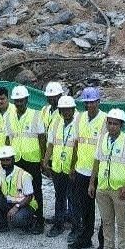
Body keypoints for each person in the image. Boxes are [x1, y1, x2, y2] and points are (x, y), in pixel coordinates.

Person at [88, 109, 125, 249]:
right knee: (107, 221)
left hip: (120, 189)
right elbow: (97, 161)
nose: (111, 126)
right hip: (103, 187)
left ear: (121, 125)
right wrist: (92, 183)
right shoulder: (102, 138)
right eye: (109, 123)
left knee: (122, 222)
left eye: (115, 124)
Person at [69, 86, 106, 249]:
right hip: (82, 169)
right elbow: (76, 143)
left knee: (104, 209)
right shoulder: (79, 118)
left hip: (99, 172)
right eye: (87, 102)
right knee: (85, 206)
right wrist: (73, 165)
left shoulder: (105, 119)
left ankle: (104, 242)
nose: (89, 105)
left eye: (92, 102)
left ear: (98, 102)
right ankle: (85, 237)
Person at [7, 85, 46, 234]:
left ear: (27, 100)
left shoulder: (36, 115)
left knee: (36, 190)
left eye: (21, 100)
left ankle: (39, 220)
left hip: (32, 159)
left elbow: (41, 138)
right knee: (20, 190)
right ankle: (26, 218)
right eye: (16, 101)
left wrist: (43, 158)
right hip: (17, 159)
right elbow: (8, 138)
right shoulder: (9, 117)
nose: (19, 103)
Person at [42, 95, 77, 238]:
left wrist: (74, 166)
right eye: (63, 110)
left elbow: (78, 147)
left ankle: (75, 226)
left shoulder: (78, 124)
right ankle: (59, 223)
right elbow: (51, 144)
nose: (66, 112)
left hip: (71, 167)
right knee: (59, 196)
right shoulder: (56, 124)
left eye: (69, 109)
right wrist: (45, 160)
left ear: (73, 109)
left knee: (73, 197)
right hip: (58, 166)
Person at [0, 146, 37, 234]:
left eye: (7, 160)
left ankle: (31, 221)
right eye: (3, 160)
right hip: (9, 202)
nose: (5, 163)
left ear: (13, 160)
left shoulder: (24, 175)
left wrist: (16, 207)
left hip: (25, 205)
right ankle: (1, 225)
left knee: (18, 219)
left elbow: (29, 197)